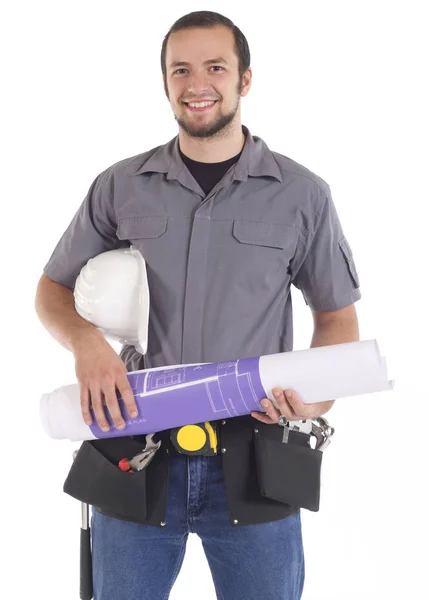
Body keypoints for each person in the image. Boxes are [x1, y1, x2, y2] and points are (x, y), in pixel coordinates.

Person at [35, 10, 361, 600]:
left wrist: (313, 395)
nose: (196, 83)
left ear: (245, 79)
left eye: (215, 67)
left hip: (256, 457)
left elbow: (336, 317)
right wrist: (86, 345)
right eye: (180, 70)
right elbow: (52, 288)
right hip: (136, 449)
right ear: (165, 82)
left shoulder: (303, 194)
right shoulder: (120, 185)